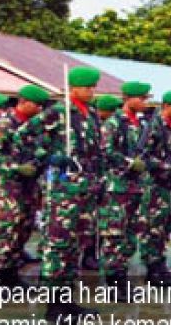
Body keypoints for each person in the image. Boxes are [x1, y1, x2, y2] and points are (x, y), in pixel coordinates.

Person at [41, 66, 104, 320]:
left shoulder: (90, 115)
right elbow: (24, 139)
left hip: (85, 190)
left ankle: (67, 302)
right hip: (63, 192)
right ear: (73, 88)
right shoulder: (58, 113)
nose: (90, 91)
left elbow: (95, 152)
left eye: (92, 87)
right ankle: (53, 306)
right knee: (57, 247)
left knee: (75, 248)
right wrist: (50, 157)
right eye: (86, 87)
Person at [0, 86, 49, 287]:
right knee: (6, 232)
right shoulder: (6, 123)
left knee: (23, 231)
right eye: (36, 105)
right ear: (24, 102)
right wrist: (16, 168)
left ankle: (12, 275)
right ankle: (0, 279)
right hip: (9, 187)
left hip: (29, 187)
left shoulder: (33, 125)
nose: (39, 109)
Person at [97, 82, 150, 295]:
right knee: (114, 234)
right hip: (116, 186)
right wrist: (129, 163)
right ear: (130, 99)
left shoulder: (138, 124)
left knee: (129, 234)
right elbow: (105, 151)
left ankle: (122, 278)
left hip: (134, 186)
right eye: (143, 99)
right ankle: (113, 282)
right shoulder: (114, 122)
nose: (146, 103)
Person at [138, 90, 171, 285]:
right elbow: (143, 155)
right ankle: (152, 270)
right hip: (154, 185)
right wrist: (165, 166)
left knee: (165, 227)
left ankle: (160, 266)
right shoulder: (154, 127)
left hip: (168, 186)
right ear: (166, 106)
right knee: (152, 228)